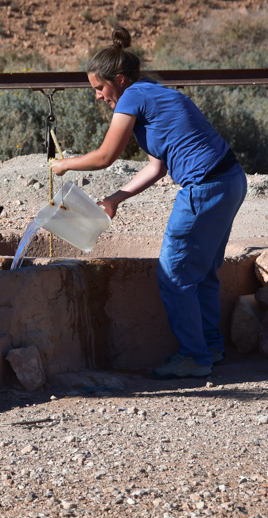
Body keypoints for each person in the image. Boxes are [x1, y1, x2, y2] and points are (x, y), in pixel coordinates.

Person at [52, 27, 247, 379]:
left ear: (120, 80)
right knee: (200, 273)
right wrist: (116, 198)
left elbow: (105, 157)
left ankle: (194, 357)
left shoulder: (133, 98)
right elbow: (158, 166)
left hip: (203, 187)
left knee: (173, 274)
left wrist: (63, 163)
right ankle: (211, 348)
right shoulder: (153, 96)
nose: (97, 96)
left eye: (99, 88)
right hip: (229, 181)